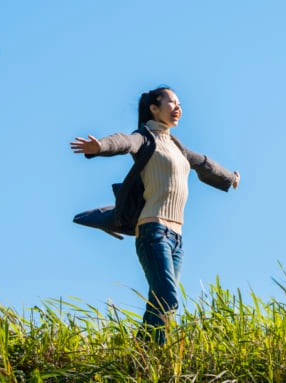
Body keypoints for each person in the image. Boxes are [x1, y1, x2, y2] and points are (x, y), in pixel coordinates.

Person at [70, 86, 240, 344]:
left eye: (180, 104)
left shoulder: (176, 147)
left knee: (160, 302)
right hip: (153, 232)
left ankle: (144, 356)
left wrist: (230, 178)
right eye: (171, 102)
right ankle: (146, 351)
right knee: (168, 298)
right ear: (154, 108)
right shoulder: (145, 138)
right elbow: (123, 141)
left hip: (177, 239)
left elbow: (204, 163)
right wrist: (100, 146)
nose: (178, 108)